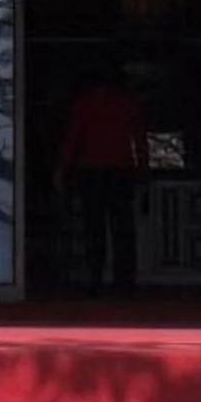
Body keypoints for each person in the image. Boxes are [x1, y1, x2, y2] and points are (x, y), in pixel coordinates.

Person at [56, 63, 146, 295]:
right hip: (120, 169)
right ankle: (124, 280)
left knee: (93, 228)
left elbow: (72, 140)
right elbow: (139, 139)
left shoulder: (84, 103)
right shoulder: (127, 103)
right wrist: (143, 170)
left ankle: (95, 278)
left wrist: (63, 170)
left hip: (91, 169)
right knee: (123, 228)